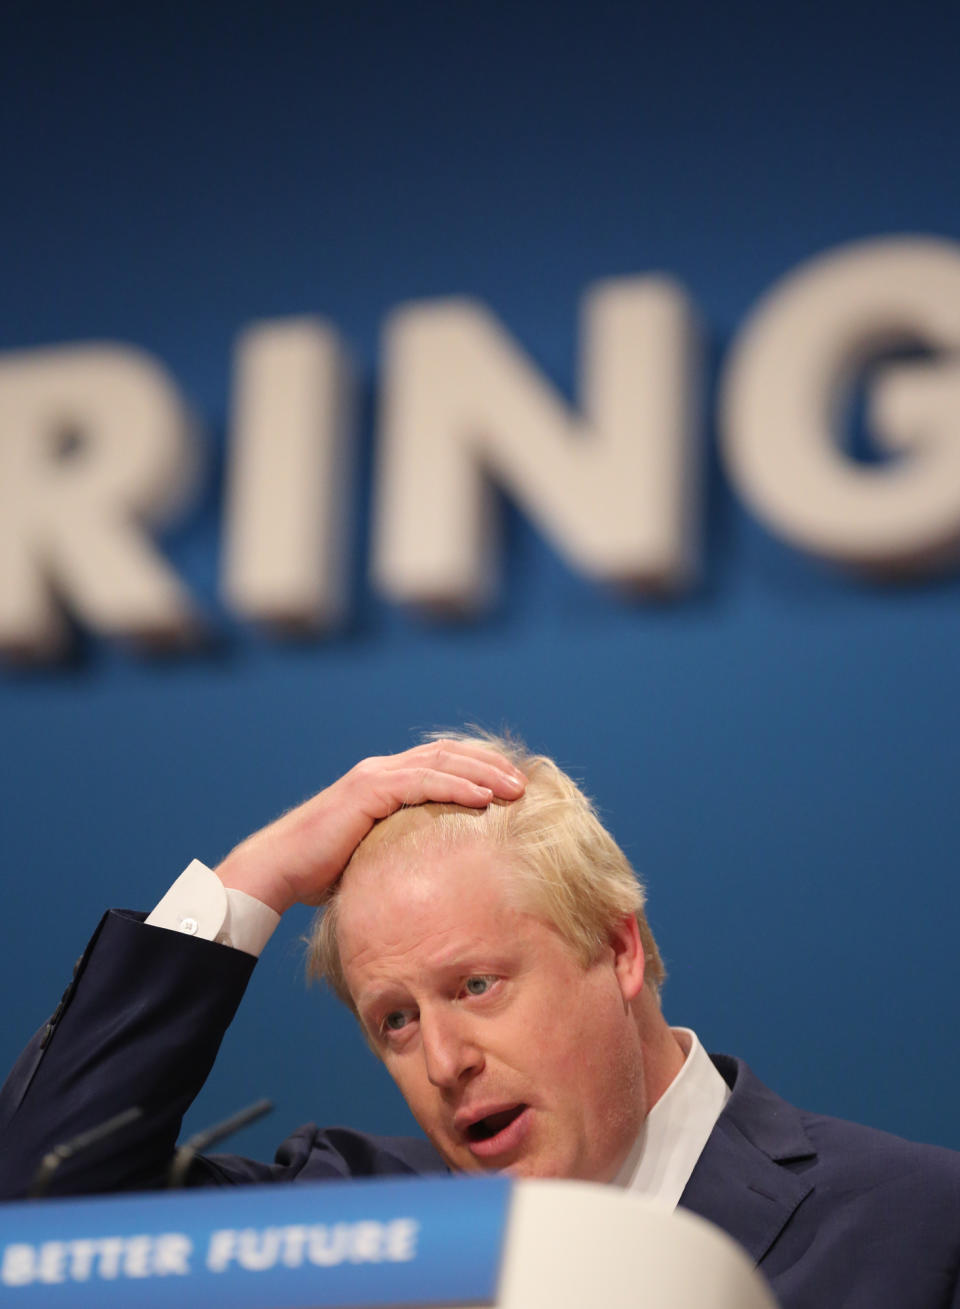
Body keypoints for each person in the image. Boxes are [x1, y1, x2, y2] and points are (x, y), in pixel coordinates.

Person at [1, 733, 958, 1309]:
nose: (447, 1060)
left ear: (619, 948)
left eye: (477, 986)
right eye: (396, 1020)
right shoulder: (361, 1227)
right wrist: (263, 873)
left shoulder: (917, 1222)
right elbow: (41, 1220)